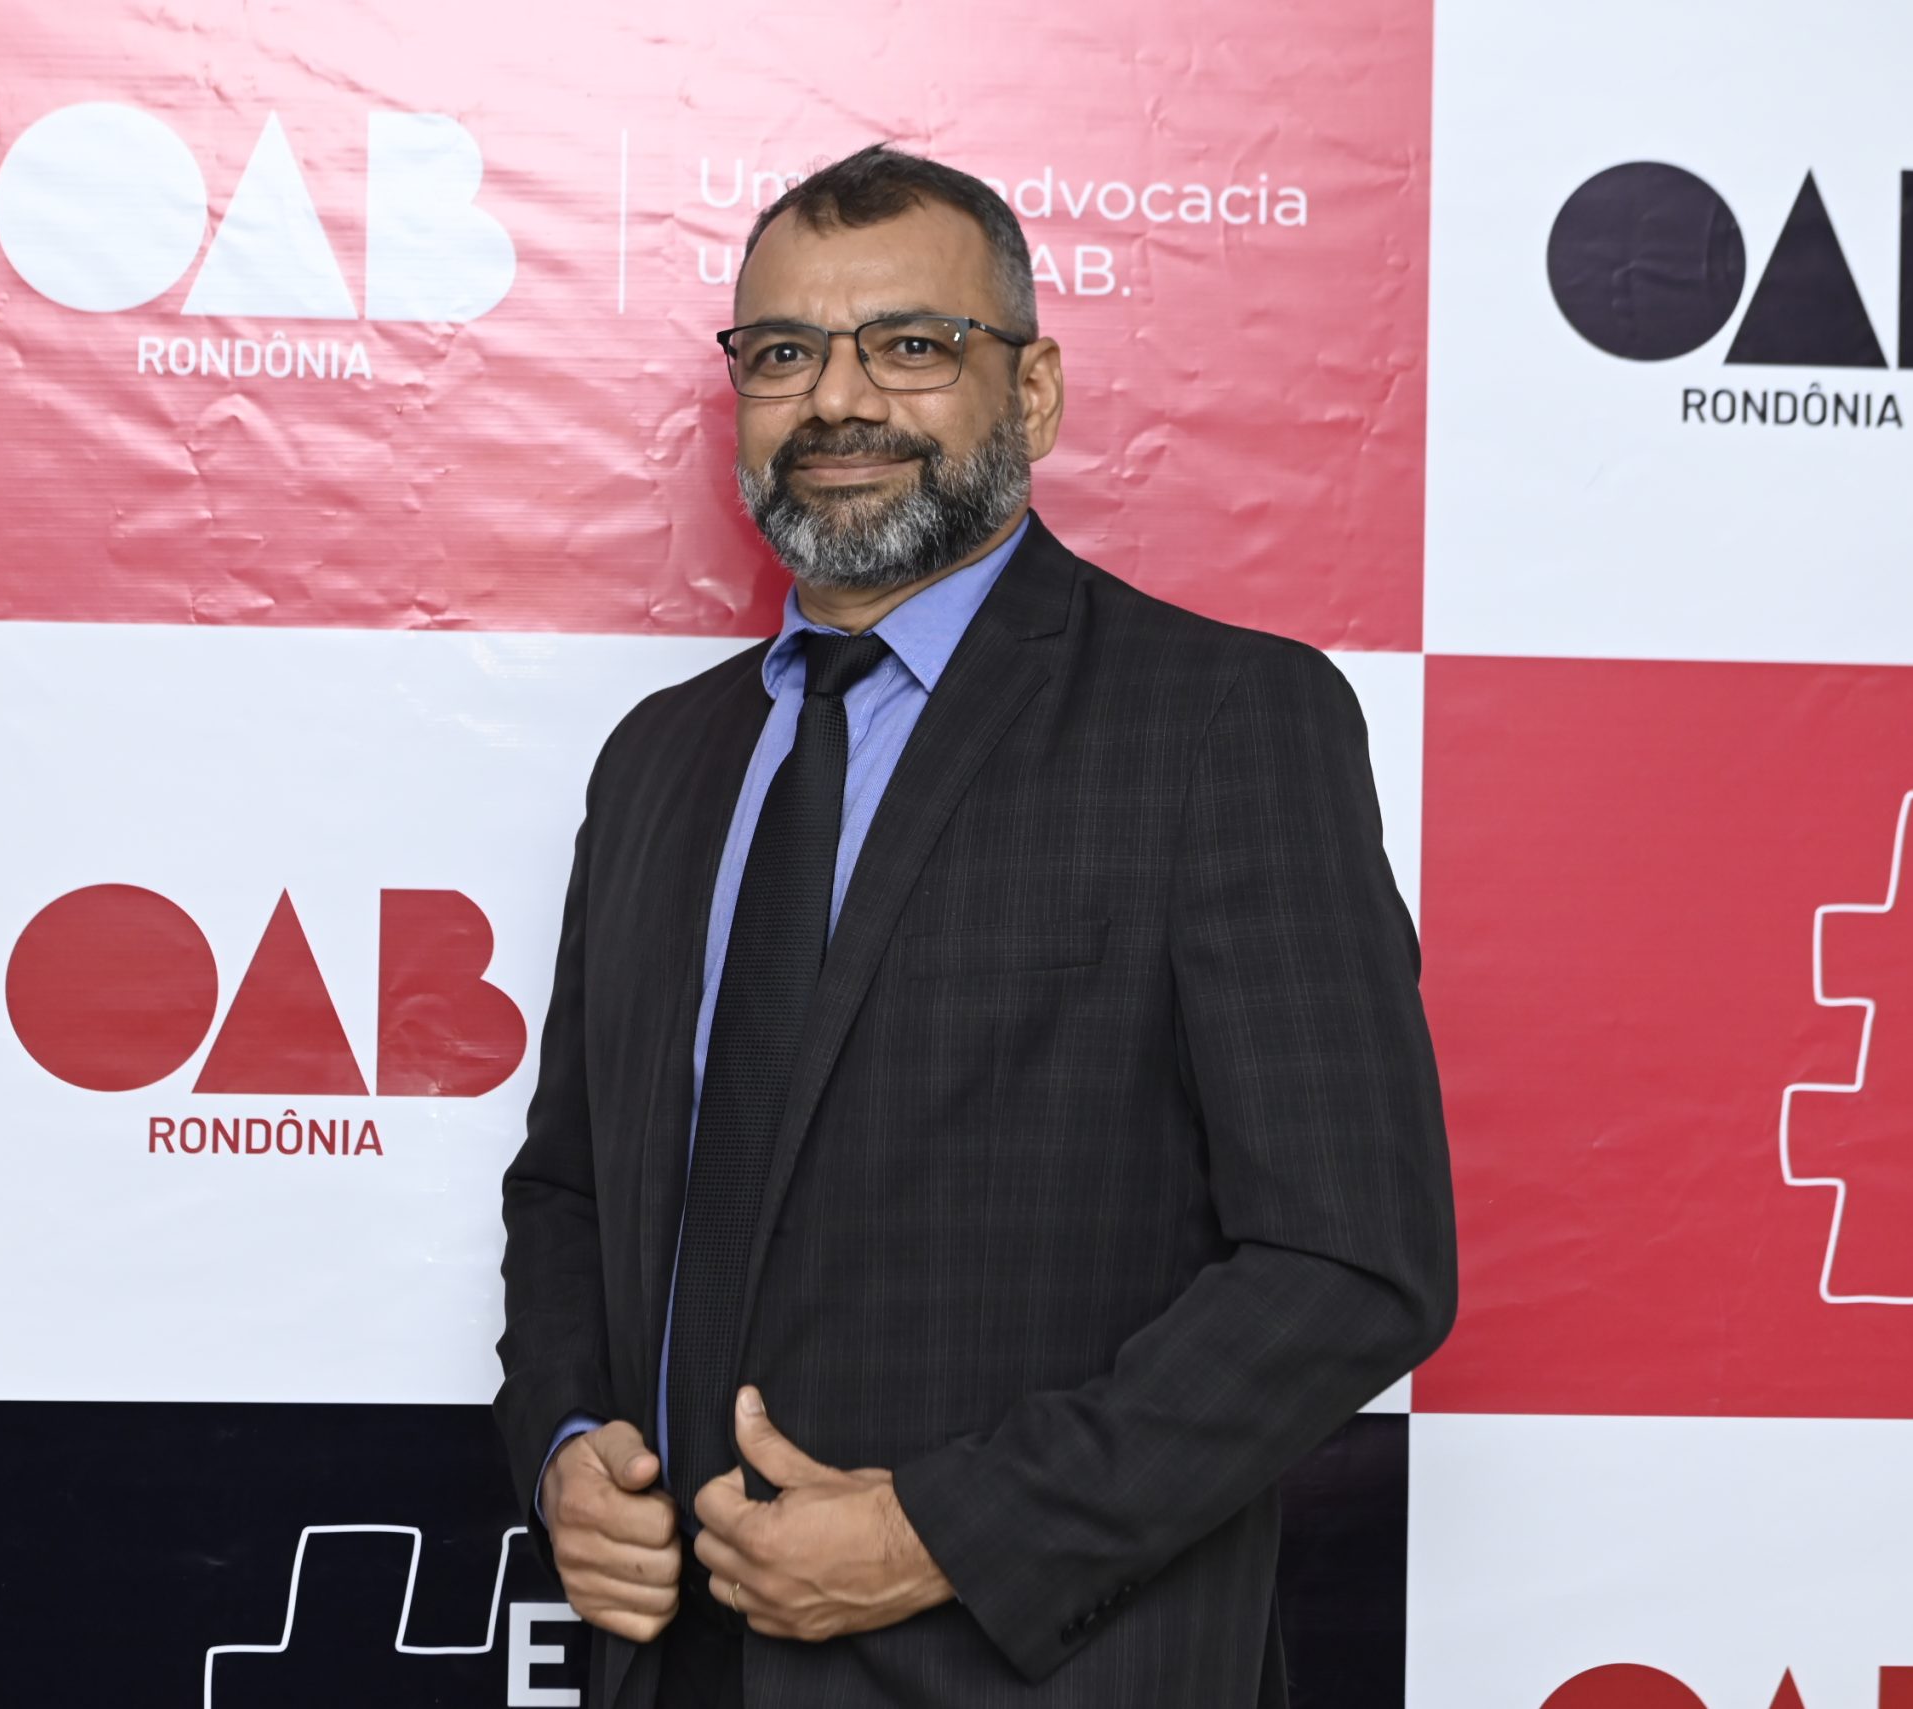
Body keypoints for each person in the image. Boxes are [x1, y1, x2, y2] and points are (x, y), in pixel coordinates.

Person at [495, 142, 1455, 1709]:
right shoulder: (661, 761)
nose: (838, 400)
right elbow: (571, 1187)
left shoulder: (1222, 721)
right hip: (670, 1674)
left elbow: (1350, 1262)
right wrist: (560, 1449)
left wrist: (947, 1532)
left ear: (1036, 392)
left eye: (911, 345)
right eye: (784, 353)